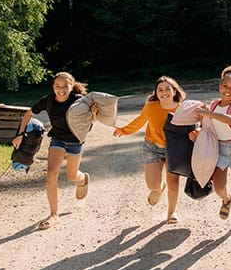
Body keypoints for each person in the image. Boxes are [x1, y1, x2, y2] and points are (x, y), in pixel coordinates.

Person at [13, 72, 97, 229]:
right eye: (58, 86)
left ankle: (82, 179)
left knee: (72, 176)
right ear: (53, 87)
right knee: (51, 174)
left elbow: (90, 122)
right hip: (58, 139)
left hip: (75, 141)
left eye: (65, 86)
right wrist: (20, 135)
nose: (61, 89)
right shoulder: (48, 101)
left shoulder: (80, 101)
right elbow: (29, 114)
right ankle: (54, 215)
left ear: (72, 86)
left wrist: (93, 115)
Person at [113, 76, 186, 224]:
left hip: (174, 149)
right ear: (156, 92)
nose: (164, 92)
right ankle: (159, 189)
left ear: (174, 91)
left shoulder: (182, 108)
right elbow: (139, 121)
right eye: (160, 90)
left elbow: (193, 124)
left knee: (173, 182)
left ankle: (172, 212)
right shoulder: (151, 107)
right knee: (152, 185)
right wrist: (124, 130)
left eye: (167, 89)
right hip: (152, 147)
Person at [195, 64, 231, 231]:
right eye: (225, 86)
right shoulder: (213, 105)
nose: (228, 90)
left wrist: (207, 113)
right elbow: (203, 124)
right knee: (219, 186)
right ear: (220, 87)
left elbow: (230, 120)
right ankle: (226, 200)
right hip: (219, 148)